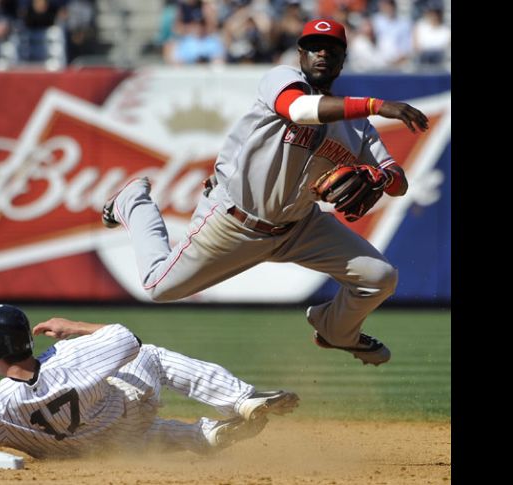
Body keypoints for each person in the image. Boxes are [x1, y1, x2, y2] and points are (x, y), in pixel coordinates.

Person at [101, 18, 429, 366]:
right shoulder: (283, 79)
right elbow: (299, 110)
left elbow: (398, 180)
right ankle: (132, 200)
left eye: (331, 49)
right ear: (300, 53)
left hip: (300, 228)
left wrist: (379, 178)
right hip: (235, 222)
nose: (322, 54)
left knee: (380, 277)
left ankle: (335, 331)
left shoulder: (357, 128)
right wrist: (379, 105)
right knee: (158, 286)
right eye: (314, 47)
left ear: (342, 59)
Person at [0, 304, 299, 462]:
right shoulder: (72, 355)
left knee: (125, 435)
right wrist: (73, 325)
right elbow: (129, 339)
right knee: (151, 358)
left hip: (90, 451)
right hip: (122, 419)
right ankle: (238, 401)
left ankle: (206, 435)